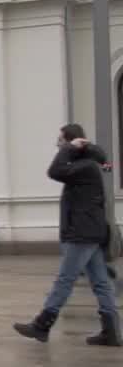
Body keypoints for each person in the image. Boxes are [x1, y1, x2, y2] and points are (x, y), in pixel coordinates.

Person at [14, 124, 121, 346]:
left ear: (72, 142)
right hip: (89, 232)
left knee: (65, 279)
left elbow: (54, 171)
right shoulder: (86, 164)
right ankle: (111, 331)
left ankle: (42, 325)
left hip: (82, 234)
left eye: (61, 140)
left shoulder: (85, 166)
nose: (57, 144)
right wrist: (71, 149)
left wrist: (68, 149)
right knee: (100, 282)